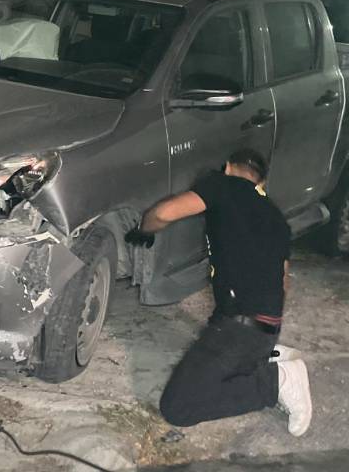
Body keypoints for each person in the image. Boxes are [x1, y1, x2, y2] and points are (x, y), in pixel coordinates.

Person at [125, 148, 312, 434]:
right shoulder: (277, 218)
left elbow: (164, 212)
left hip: (238, 326)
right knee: (221, 369)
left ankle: (277, 382)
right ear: (261, 184)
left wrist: (145, 229)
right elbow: (283, 281)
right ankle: (264, 356)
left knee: (178, 407)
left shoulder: (221, 184)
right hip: (267, 326)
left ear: (227, 168)